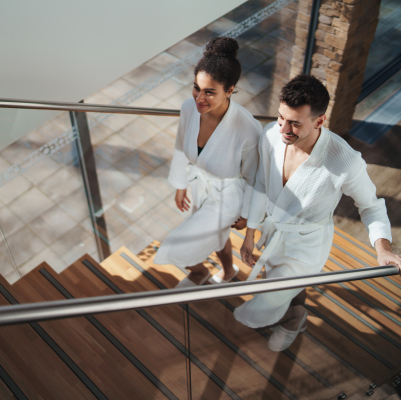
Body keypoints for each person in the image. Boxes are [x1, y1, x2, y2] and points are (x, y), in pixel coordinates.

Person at [235, 74, 401, 352]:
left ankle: (291, 319)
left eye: (295, 123)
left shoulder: (344, 161)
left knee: (269, 295)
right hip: (272, 232)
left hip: (305, 245)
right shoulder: (270, 135)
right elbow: (261, 184)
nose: (283, 128)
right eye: (281, 118)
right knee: (280, 282)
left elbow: (370, 205)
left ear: (319, 121)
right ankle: (296, 314)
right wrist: (250, 233)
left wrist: (382, 249)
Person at [153, 37, 261, 287]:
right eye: (196, 88)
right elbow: (181, 146)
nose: (199, 98)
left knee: (177, 244)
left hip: (229, 198)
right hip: (200, 188)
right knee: (218, 237)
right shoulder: (189, 108)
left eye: (210, 92)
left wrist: (247, 216)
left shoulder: (248, 129)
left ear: (230, 90)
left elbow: (255, 177)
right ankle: (227, 271)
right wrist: (181, 184)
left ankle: (198, 271)